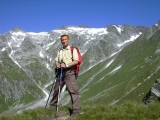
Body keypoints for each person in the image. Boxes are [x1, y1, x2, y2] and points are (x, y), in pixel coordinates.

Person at [50, 35, 80, 117]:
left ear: (68, 40)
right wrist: (58, 65)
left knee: (73, 90)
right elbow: (56, 61)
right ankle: (52, 106)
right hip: (61, 72)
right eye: (62, 40)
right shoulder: (60, 51)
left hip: (69, 73)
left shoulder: (73, 49)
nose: (64, 41)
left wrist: (66, 65)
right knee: (56, 89)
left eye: (65, 39)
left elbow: (76, 61)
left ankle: (76, 110)